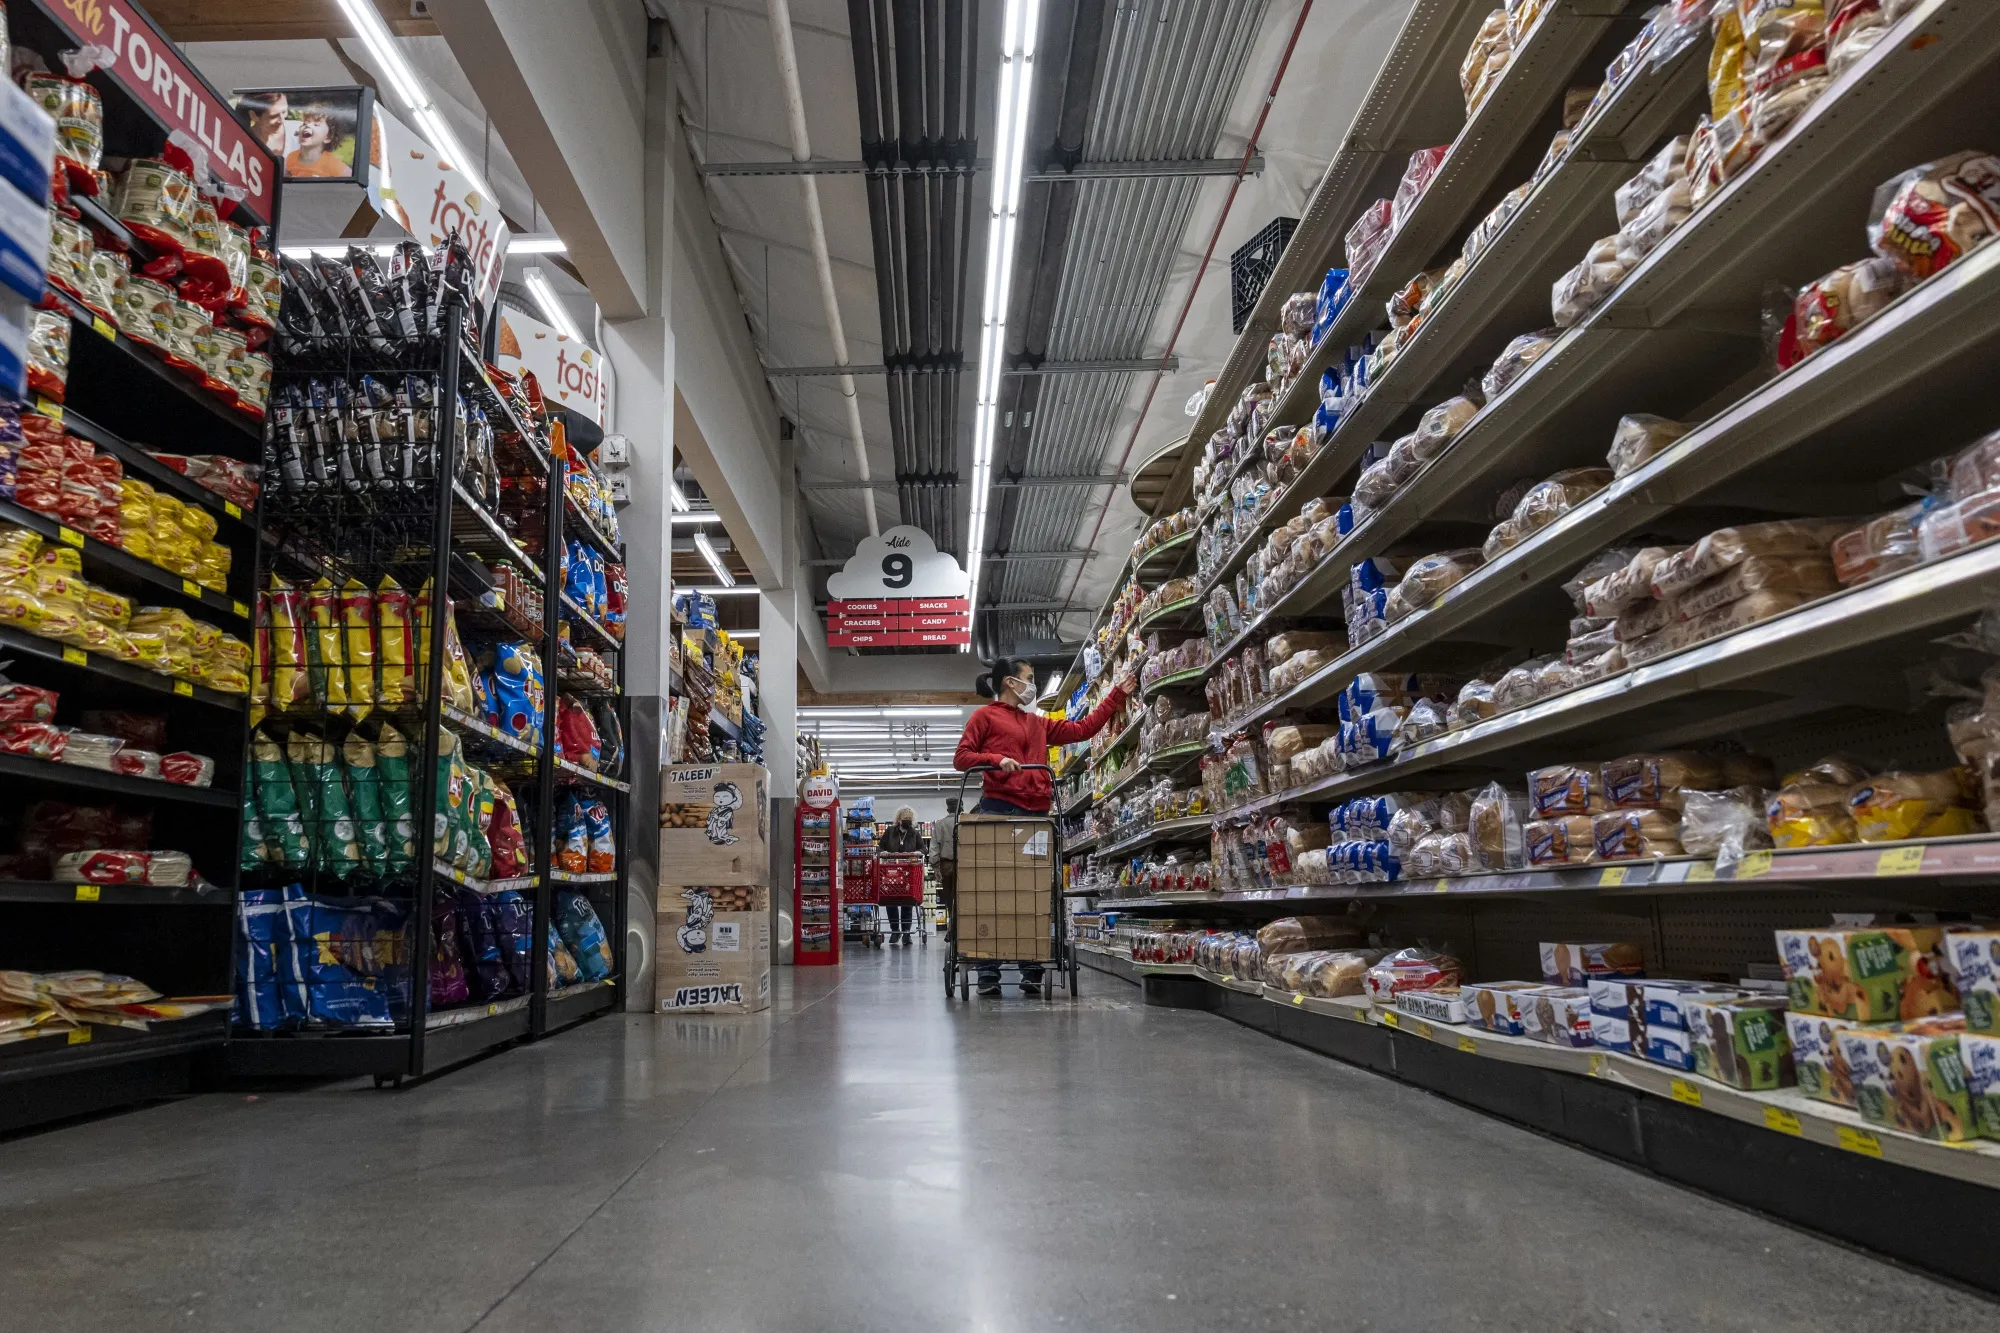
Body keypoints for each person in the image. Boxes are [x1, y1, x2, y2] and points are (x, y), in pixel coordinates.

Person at [954, 658, 1132, 994]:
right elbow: (961, 756)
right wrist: (996, 760)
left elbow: (1084, 729)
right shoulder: (984, 717)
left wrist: (1116, 695)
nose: (1032, 685)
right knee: (994, 890)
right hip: (999, 810)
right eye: (1029, 678)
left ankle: (1032, 965)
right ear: (1010, 682)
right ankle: (988, 968)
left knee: (1033, 892)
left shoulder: (1038, 723)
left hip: (1036, 816)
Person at [877, 805, 925, 944]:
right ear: (899, 819)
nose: (908, 821)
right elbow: (880, 847)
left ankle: (906, 933)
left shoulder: (914, 833)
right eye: (905, 818)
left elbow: (923, 848)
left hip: (908, 872)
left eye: (910, 819)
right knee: (890, 901)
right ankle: (895, 931)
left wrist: (919, 852)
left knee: (908, 901)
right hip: (890, 871)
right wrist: (883, 853)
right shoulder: (890, 831)